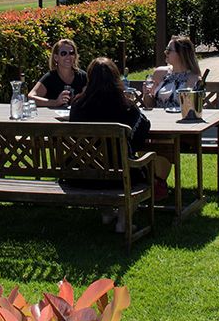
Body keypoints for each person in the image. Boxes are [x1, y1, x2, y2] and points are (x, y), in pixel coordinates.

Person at [68, 57, 168, 231]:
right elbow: (142, 132)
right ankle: (123, 220)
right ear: (116, 78)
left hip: (81, 175)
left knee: (102, 165)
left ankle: (107, 212)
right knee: (133, 169)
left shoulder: (77, 105)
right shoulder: (126, 107)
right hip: (121, 177)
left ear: (89, 78)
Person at [141, 35, 201, 110]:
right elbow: (150, 105)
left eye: (169, 50)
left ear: (181, 54)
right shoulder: (160, 73)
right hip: (158, 116)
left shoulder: (193, 78)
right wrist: (146, 94)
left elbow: (191, 108)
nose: (165, 52)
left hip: (180, 116)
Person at [29, 38, 88, 107]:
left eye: (71, 53)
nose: (68, 56)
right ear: (56, 57)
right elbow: (30, 97)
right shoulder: (50, 78)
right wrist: (55, 102)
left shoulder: (82, 77)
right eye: (63, 53)